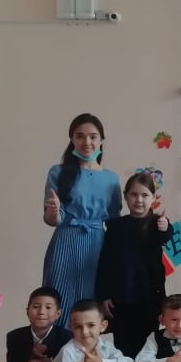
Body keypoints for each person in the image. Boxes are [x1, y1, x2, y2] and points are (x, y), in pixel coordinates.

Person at [95, 172, 174, 362]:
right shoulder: (115, 226)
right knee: (124, 352)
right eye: (134, 195)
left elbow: (166, 234)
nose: (139, 200)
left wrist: (165, 226)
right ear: (126, 197)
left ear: (153, 198)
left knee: (147, 353)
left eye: (144, 195)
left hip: (149, 299)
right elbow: (105, 263)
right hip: (122, 299)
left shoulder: (157, 223)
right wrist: (104, 295)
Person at [42, 113, 122, 328]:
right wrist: (53, 211)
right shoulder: (58, 172)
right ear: (72, 140)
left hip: (97, 243)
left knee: (91, 297)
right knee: (59, 296)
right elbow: (52, 219)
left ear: (101, 140)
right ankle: (57, 343)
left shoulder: (111, 178)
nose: (87, 142)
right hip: (65, 240)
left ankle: (88, 346)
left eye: (93, 136)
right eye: (80, 136)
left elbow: (115, 221)